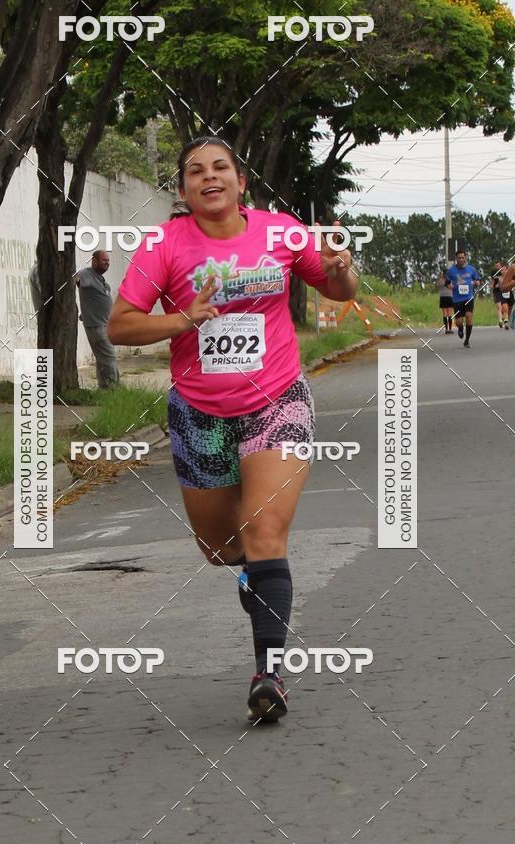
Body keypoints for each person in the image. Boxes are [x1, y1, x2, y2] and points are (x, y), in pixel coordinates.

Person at [107, 136, 357, 722]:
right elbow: (120, 326)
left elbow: (337, 289)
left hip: (276, 400)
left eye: (220, 167)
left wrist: (343, 271)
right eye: (196, 171)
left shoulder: (282, 232)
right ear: (183, 189)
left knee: (266, 531)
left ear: (241, 182)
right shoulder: (164, 244)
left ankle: (268, 676)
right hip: (199, 412)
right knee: (222, 548)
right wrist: (182, 319)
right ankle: (256, 578)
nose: (209, 177)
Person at [76, 250, 120, 389]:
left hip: (104, 324)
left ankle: (104, 388)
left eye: (108, 261)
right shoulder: (86, 274)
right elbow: (76, 279)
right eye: (104, 260)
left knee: (103, 359)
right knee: (109, 357)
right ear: (94, 260)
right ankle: (113, 388)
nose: (107, 263)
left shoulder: (100, 278)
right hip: (96, 326)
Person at [445, 250, 481, 349]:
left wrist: (477, 283)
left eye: (462, 257)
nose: (461, 259)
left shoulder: (471, 269)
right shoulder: (451, 270)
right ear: (456, 259)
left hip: (468, 297)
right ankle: (460, 328)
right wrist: (449, 285)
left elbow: (477, 280)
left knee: (469, 318)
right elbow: (447, 283)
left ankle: (467, 340)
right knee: (459, 322)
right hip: (457, 299)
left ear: (465, 258)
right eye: (459, 258)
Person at [491, 261, 512, 329]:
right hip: (497, 292)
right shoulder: (495, 275)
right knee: (499, 307)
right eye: (496, 266)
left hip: (504, 292)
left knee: (505, 308)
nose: (497, 267)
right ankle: (500, 321)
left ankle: (506, 321)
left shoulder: (508, 275)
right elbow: (492, 285)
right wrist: (494, 286)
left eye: (498, 266)